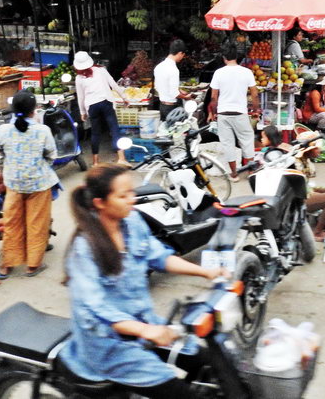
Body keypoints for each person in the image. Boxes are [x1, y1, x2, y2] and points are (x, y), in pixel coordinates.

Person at [59, 164, 224, 397]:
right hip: (109, 345)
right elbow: (94, 309)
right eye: (122, 195)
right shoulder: (84, 248)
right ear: (100, 203)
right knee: (178, 392)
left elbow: (159, 257)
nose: (131, 199)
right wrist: (145, 330)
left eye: (131, 192)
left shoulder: (133, 222)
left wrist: (207, 272)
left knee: (205, 361)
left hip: (144, 323)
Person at [0, 90, 59, 279]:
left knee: (12, 223)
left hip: (13, 183)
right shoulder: (42, 130)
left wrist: (12, 166)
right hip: (39, 183)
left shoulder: (3, 131)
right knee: (37, 224)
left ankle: (7, 266)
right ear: (34, 110)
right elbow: (51, 155)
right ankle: (32, 265)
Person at [259, 129, 325, 241]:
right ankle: (316, 232)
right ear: (309, 149)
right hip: (297, 198)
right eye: (317, 148)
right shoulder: (294, 160)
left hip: (302, 190)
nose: (319, 151)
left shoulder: (299, 156)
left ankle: (324, 223)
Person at [208, 45, 259, 182]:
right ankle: (250, 171)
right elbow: (254, 93)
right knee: (247, 141)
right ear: (237, 57)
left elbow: (214, 96)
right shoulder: (246, 72)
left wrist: (213, 112)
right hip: (240, 113)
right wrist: (255, 109)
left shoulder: (218, 73)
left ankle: (234, 174)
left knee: (227, 144)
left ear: (224, 58)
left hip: (224, 113)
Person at [74, 51, 129, 166]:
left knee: (95, 133)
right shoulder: (101, 70)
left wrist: (82, 112)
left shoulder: (79, 78)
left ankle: (95, 161)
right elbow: (114, 85)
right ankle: (121, 158)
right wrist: (124, 97)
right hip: (106, 102)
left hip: (92, 106)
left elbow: (81, 97)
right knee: (114, 129)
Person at [154, 40, 192, 121]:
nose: (182, 58)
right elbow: (174, 93)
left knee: (164, 130)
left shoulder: (158, 67)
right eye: (183, 55)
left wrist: (179, 90)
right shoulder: (173, 70)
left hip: (162, 106)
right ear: (180, 53)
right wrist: (186, 97)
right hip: (172, 108)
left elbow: (157, 87)